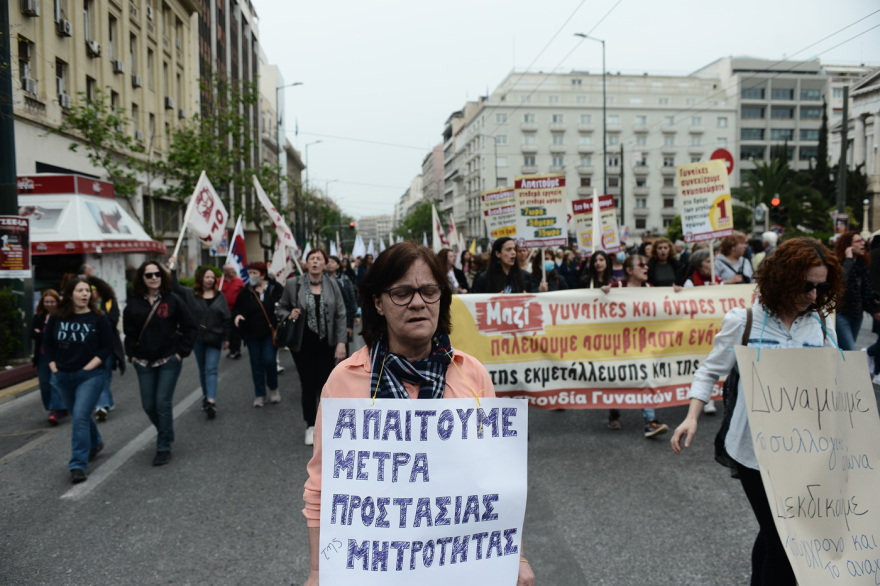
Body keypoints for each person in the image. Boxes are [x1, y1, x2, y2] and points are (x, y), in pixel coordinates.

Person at [301, 241, 535, 586]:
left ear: (441, 298)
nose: (417, 302)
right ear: (378, 303)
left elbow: (497, 482)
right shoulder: (344, 381)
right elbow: (322, 486)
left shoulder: (472, 375)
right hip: (377, 567)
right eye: (401, 293)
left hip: (459, 564)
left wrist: (517, 556)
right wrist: (318, 571)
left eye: (429, 291)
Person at [671, 237, 843, 585]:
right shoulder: (745, 320)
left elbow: (837, 378)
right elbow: (709, 371)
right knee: (785, 539)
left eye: (821, 287)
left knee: (774, 531)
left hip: (804, 449)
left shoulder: (821, 323)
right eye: (806, 286)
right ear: (782, 279)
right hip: (754, 452)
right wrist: (691, 417)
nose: (813, 295)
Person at [124, 261, 197, 466]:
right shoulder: (134, 304)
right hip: (143, 362)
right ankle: (166, 431)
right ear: (142, 279)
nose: (154, 277)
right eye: (149, 275)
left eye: (157, 274)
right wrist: (131, 355)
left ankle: (163, 445)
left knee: (162, 403)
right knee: (149, 405)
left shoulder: (173, 300)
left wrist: (181, 353)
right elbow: (129, 333)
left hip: (168, 360)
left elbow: (192, 326)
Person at [43, 277, 114, 483]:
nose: (85, 294)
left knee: (80, 417)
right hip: (62, 375)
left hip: (90, 376)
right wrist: (53, 366)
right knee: (78, 414)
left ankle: (77, 465)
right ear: (70, 294)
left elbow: (107, 346)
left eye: (87, 291)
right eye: (80, 290)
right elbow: (47, 344)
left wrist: (89, 367)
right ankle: (96, 442)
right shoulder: (57, 316)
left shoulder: (97, 317)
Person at [276, 249, 347, 445]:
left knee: (326, 386)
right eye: (311, 259)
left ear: (325, 263)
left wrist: (341, 342)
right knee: (308, 385)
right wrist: (289, 313)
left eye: (319, 259)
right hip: (303, 345)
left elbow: (341, 314)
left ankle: (327, 425)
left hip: (327, 345)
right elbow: (280, 308)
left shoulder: (332, 284)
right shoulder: (294, 283)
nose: (315, 262)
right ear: (306, 263)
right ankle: (310, 425)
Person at [608, 255, 670, 437]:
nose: (646, 268)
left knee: (646, 377)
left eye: (646, 265)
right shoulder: (616, 288)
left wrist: (677, 294)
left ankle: (650, 421)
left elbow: (665, 306)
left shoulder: (650, 289)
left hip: (643, 344)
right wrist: (603, 293)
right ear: (629, 270)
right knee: (618, 378)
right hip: (619, 343)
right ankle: (614, 413)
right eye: (641, 265)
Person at [171, 264, 231, 419]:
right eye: (207, 277)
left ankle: (211, 401)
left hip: (215, 337)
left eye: (212, 277)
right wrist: (172, 269)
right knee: (203, 369)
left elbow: (226, 318)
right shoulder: (191, 294)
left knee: (211, 369)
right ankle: (206, 396)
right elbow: (175, 287)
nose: (210, 280)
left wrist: (226, 338)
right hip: (198, 338)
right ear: (201, 279)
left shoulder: (219, 296)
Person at [233, 262, 283, 408]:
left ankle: (273, 388)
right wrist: (238, 316)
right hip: (252, 334)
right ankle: (260, 394)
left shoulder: (275, 288)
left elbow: (285, 304)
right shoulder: (246, 291)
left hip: (270, 333)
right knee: (256, 364)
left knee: (269, 361)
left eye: (254, 273)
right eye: (250, 273)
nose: (251, 276)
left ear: (263, 274)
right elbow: (237, 308)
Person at [833, 231, 878, 351]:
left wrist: (874, 308)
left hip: (857, 315)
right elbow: (840, 280)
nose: (863, 243)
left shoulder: (862, 265)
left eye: (863, 240)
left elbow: (866, 291)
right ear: (848, 245)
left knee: (845, 351)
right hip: (841, 314)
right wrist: (849, 259)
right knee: (851, 349)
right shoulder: (838, 263)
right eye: (858, 241)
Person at [88, 277, 125, 422]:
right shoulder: (86, 306)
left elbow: (113, 321)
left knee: (104, 375)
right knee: (99, 375)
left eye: (91, 289)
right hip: (91, 348)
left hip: (108, 346)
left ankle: (102, 406)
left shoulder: (109, 303)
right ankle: (107, 402)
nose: (89, 292)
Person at [31, 289, 67, 425]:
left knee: (54, 382)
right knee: (44, 384)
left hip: (58, 355)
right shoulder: (38, 317)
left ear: (57, 302)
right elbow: (33, 334)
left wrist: (42, 334)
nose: (49, 304)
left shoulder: (62, 316)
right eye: (47, 302)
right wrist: (44, 336)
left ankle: (56, 410)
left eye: (52, 302)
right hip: (42, 356)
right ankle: (54, 407)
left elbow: (58, 336)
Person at [327, 255, 359, 348]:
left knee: (342, 346)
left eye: (332, 262)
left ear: (338, 265)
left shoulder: (344, 280)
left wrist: (352, 320)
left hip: (342, 318)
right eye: (328, 262)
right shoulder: (322, 280)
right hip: (328, 320)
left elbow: (351, 300)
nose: (329, 264)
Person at [220, 263, 245, 359]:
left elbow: (244, 294)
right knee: (227, 329)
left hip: (236, 309)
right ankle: (231, 349)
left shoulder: (239, 281)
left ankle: (236, 350)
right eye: (230, 269)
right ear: (225, 271)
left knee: (236, 329)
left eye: (233, 269)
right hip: (223, 309)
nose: (233, 271)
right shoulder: (219, 282)